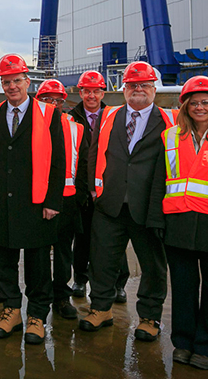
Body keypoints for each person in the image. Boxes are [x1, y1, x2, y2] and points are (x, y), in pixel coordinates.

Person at [147, 76, 208, 370]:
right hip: (178, 223)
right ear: (185, 107)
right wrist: (157, 219)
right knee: (183, 288)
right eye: (194, 103)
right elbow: (160, 182)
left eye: (205, 102)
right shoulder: (169, 138)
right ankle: (184, 342)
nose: (200, 107)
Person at [81, 61, 175, 342]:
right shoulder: (109, 117)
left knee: (153, 264)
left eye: (144, 85)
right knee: (102, 259)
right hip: (110, 204)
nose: (138, 90)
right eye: (132, 85)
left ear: (154, 89)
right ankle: (101, 307)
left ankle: (149, 316)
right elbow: (94, 154)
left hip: (149, 206)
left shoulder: (169, 121)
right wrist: (95, 190)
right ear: (123, 89)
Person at [0, 54, 64, 345]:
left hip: (36, 201)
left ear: (28, 81)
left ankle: (37, 316)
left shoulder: (49, 114)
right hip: (1, 200)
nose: (12, 86)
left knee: (38, 263)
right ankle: (11, 310)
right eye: (6, 81)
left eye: (17, 80)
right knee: (3, 258)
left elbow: (58, 161)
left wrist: (53, 201)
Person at [68, 70, 130, 301]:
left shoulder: (114, 117)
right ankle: (80, 280)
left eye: (96, 91)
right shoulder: (71, 117)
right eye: (87, 91)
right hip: (81, 188)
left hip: (108, 188)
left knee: (114, 238)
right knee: (82, 238)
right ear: (80, 92)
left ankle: (118, 282)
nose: (91, 95)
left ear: (103, 92)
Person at [35, 79, 87, 321]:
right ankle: (41, 296)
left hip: (67, 200)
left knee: (64, 252)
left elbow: (84, 163)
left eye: (57, 100)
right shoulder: (31, 124)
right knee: (39, 252)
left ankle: (61, 297)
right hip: (35, 199)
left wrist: (81, 195)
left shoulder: (75, 128)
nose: (53, 104)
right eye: (47, 99)